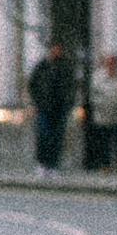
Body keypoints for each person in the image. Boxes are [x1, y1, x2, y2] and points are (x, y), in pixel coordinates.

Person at [28, 36, 77, 177]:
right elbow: (32, 85)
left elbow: (70, 87)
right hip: (44, 108)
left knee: (57, 137)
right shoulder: (42, 66)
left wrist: (67, 103)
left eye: (57, 48)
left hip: (59, 108)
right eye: (53, 48)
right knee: (43, 136)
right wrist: (37, 102)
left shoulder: (65, 67)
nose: (55, 51)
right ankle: (41, 164)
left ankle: (53, 165)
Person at [87, 49, 117, 174]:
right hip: (103, 115)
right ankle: (105, 165)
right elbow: (93, 96)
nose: (110, 65)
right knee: (104, 141)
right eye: (108, 62)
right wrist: (103, 105)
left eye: (113, 62)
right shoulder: (98, 77)